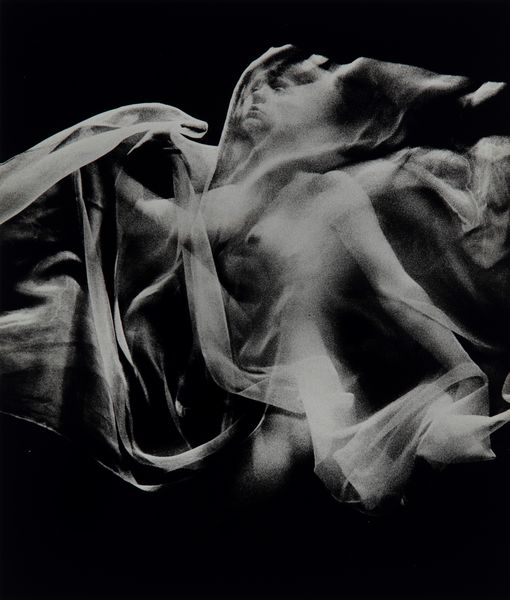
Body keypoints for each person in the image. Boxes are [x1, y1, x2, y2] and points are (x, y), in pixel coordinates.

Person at [1, 45, 509, 510]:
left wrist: (463, 372)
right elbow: (172, 226)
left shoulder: (329, 192)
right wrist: (115, 165)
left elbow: (395, 290)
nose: (263, 95)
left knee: (287, 461)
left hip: (295, 379)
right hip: (225, 384)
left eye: (289, 87)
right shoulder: (224, 188)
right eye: (266, 86)